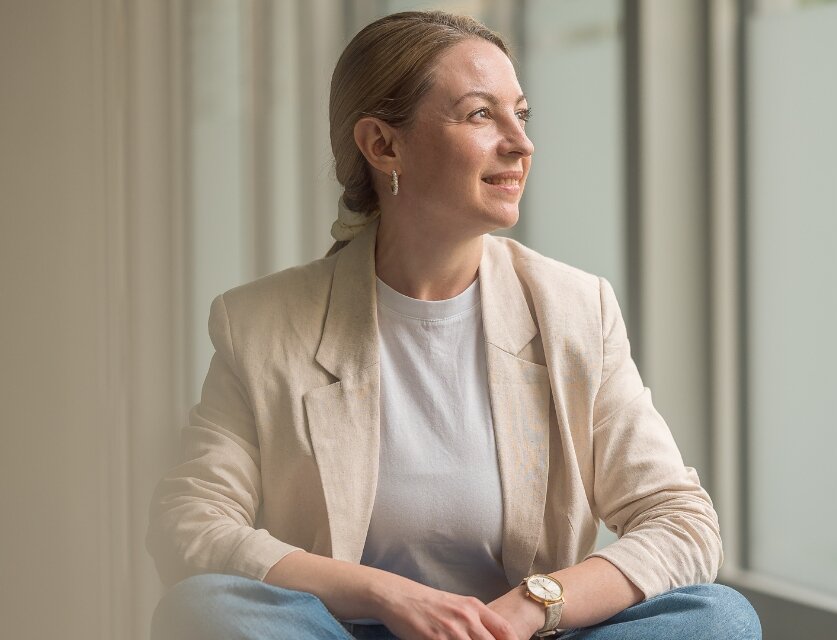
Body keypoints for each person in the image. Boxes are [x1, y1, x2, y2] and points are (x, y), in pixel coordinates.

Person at [145, 11, 759, 640]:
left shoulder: (576, 308)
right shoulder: (262, 325)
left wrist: (529, 607)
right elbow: (190, 519)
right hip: (346, 631)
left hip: (515, 635)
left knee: (720, 619)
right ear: (384, 145)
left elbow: (679, 518)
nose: (520, 143)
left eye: (521, 114)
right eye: (480, 115)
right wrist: (387, 596)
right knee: (207, 607)